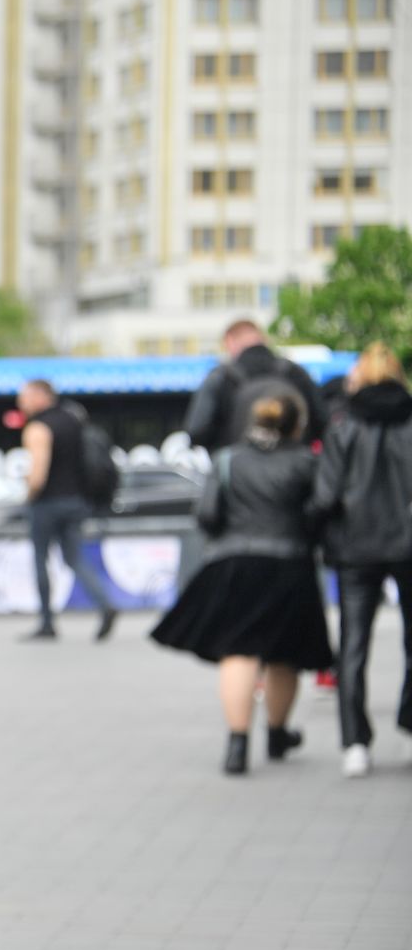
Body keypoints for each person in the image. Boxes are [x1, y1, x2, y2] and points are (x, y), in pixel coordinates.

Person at [151, 388, 333, 774]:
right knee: (285, 654)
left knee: (239, 651)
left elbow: (207, 515)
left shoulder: (227, 460)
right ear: (297, 424)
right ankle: (278, 732)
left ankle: (237, 743)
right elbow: (321, 509)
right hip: (289, 563)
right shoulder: (307, 462)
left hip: (234, 564)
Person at [312, 342, 412, 778]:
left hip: (355, 549)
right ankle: (409, 728)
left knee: (353, 648)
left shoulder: (343, 426)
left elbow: (325, 495)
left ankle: (355, 743)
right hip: (409, 546)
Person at [17, 379, 120, 641]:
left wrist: (28, 496)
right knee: (74, 558)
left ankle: (47, 622)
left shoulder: (38, 427)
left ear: (41, 396)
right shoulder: (74, 420)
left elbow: (38, 472)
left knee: (41, 559)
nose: (21, 402)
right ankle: (105, 604)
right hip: (76, 501)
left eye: (25, 396)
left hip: (47, 502)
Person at [182, 318, 328, 452]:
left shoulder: (221, 378)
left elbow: (197, 431)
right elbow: (322, 423)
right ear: (263, 339)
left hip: (238, 474)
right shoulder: (295, 373)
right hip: (294, 473)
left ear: (229, 341)